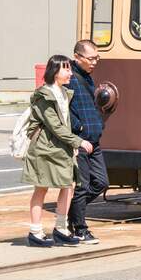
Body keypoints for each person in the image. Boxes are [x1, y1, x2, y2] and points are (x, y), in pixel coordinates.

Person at [21, 55, 94, 248]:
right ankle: (35, 232)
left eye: (70, 69)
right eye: (66, 69)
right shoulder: (44, 95)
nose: (70, 73)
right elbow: (55, 126)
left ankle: (61, 229)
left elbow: (65, 124)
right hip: (45, 148)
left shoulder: (64, 93)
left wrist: (71, 146)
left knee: (67, 185)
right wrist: (78, 142)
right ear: (55, 72)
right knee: (41, 187)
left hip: (61, 148)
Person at [66, 39, 109, 244]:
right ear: (77, 57)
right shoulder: (69, 78)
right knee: (81, 186)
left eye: (97, 58)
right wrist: (78, 129)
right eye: (91, 58)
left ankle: (71, 213)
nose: (94, 62)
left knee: (101, 182)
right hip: (80, 141)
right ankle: (80, 229)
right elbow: (63, 108)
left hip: (94, 139)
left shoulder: (87, 77)